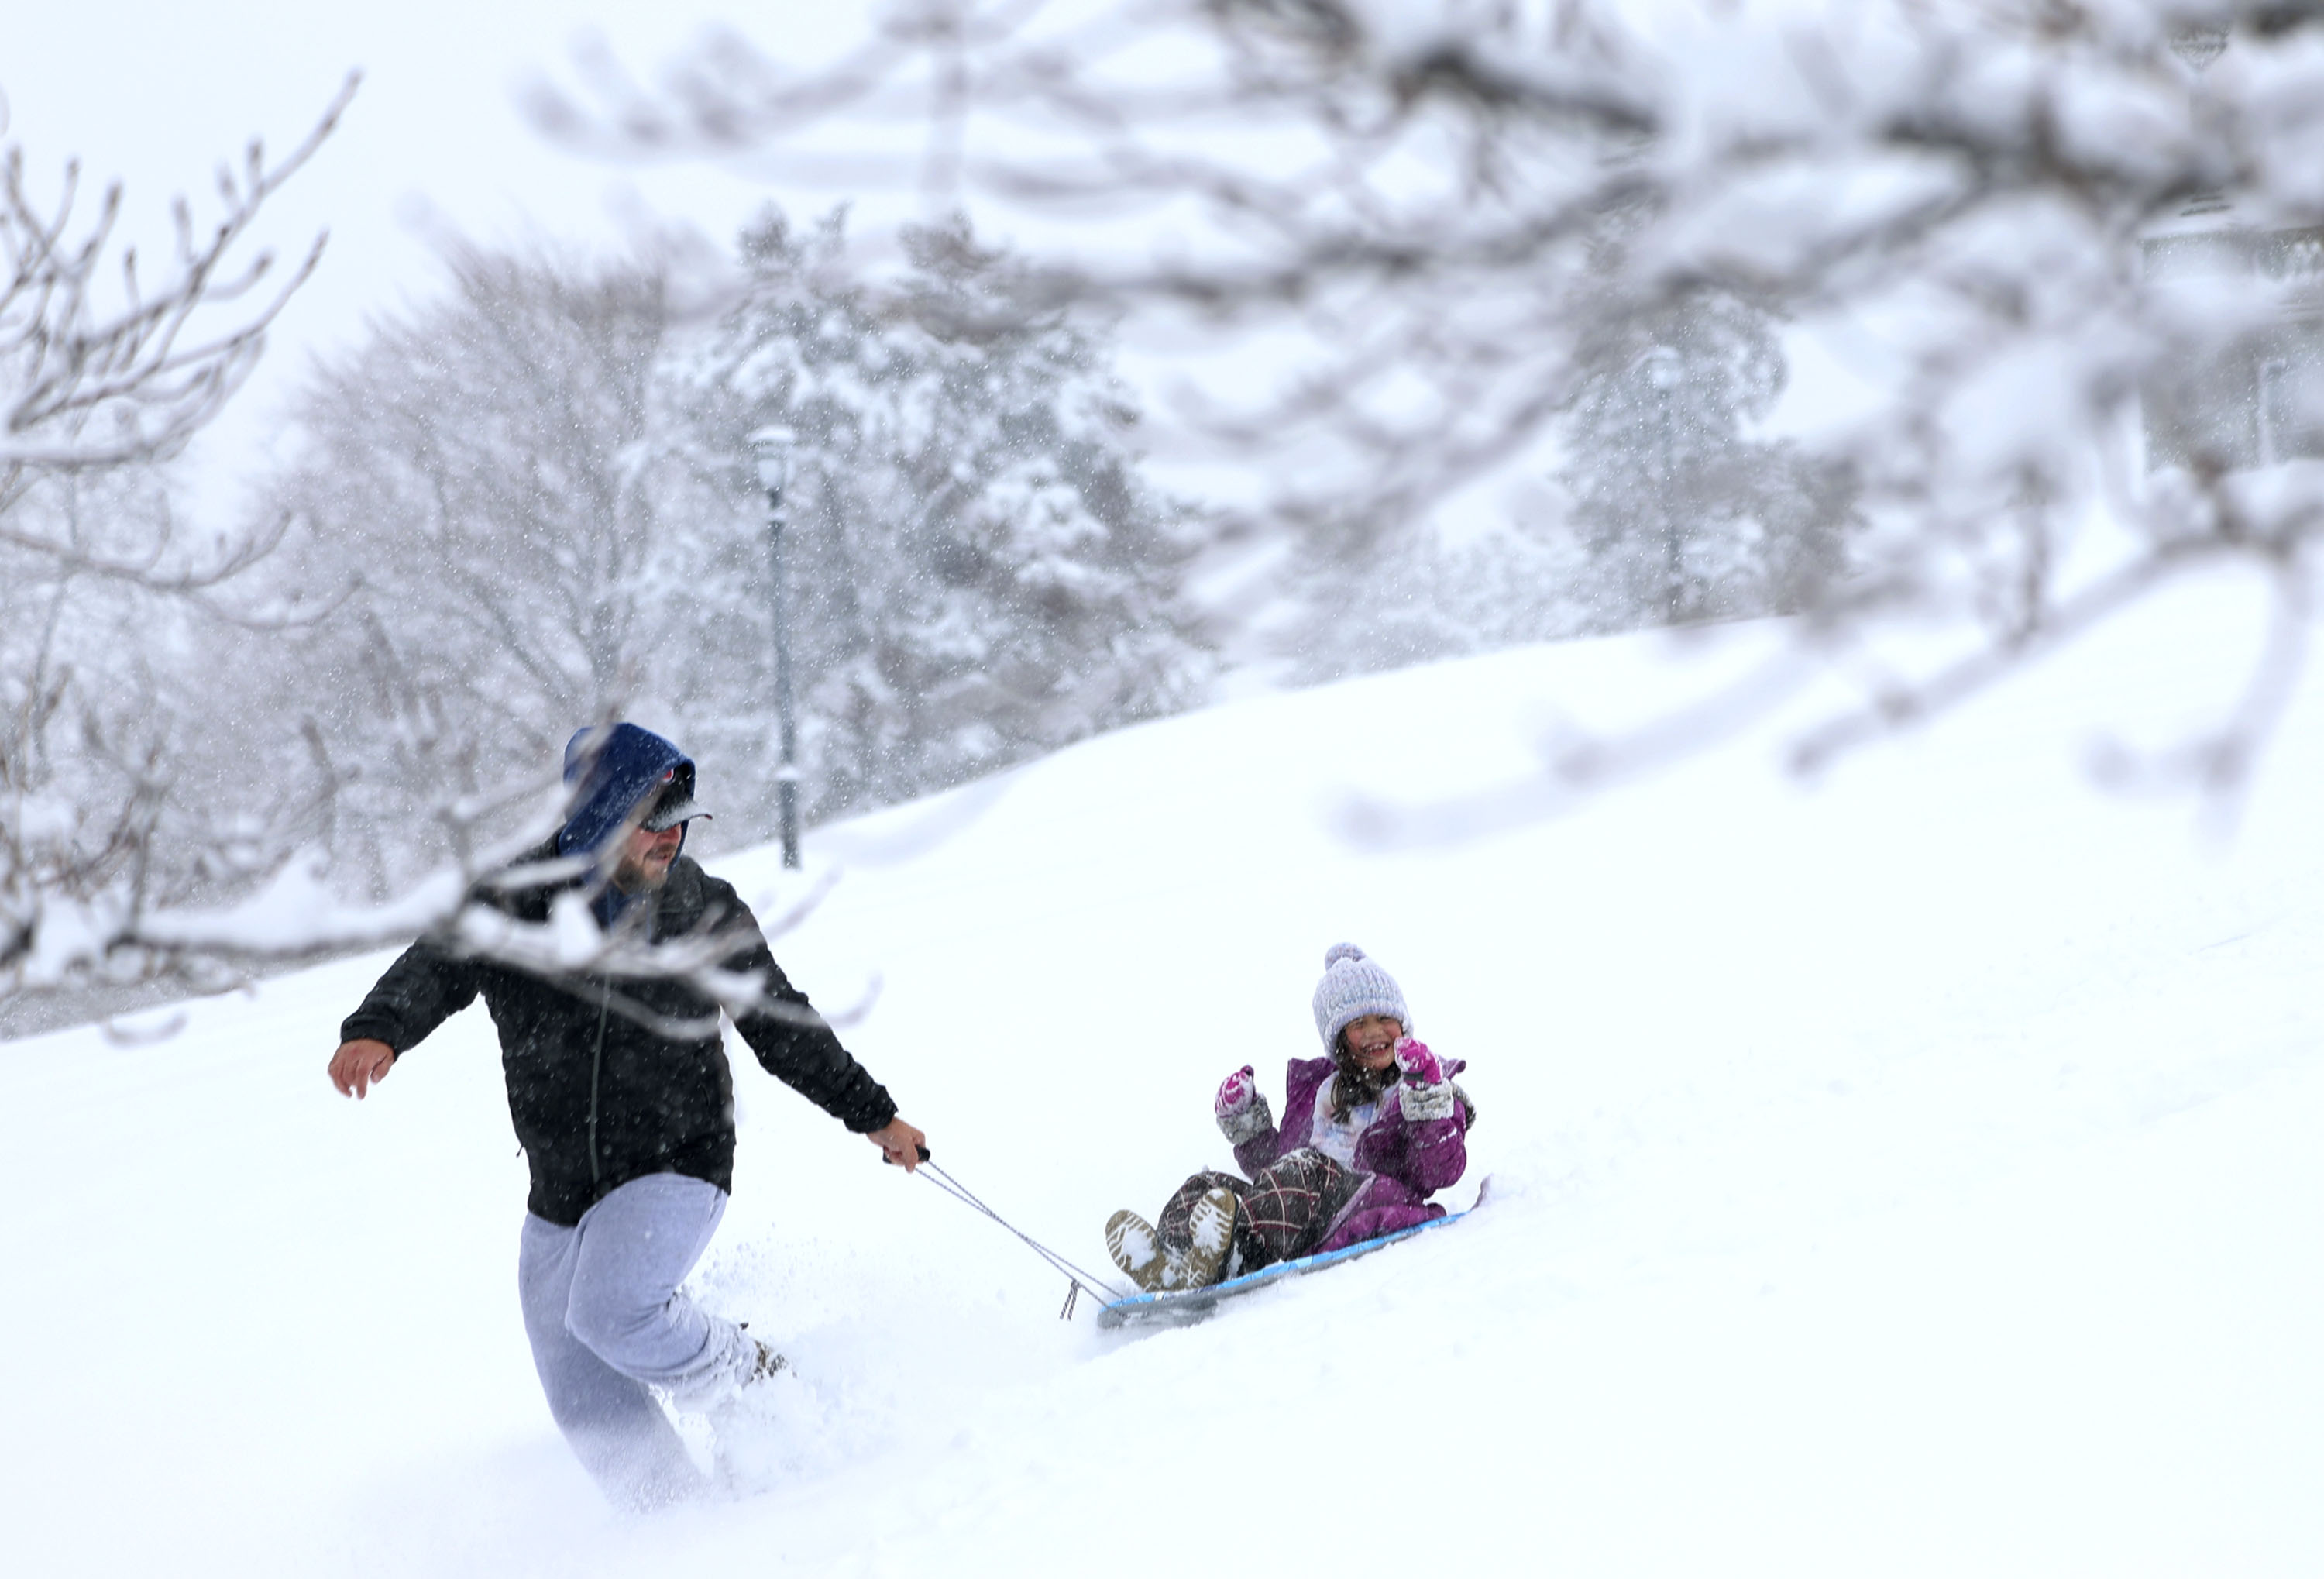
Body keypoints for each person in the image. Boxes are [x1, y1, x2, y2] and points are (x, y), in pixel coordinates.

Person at [328, 722, 926, 1508]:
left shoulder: (700, 909)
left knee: (613, 1311)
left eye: (684, 821)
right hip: (561, 1188)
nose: (672, 839)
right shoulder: (512, 902)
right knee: (578, 1387)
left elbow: (780, 1023)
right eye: (655, 821)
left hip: (678, 1160)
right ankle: (675, 1525)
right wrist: (379, 1026)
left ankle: (760, 1377)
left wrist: (874, 1114)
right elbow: (437, 964)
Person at [1105, 943, 1474, 1292]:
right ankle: (1173, 1260)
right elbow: (1275, 1169)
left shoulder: (1422, 1083)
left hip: (1373, 1203)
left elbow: (1439, 1170)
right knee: (1208, 1187)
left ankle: (1232, 1256)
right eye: (1359, 1024)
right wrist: (1248, 1126)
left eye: (1384, 1019)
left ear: (1403, 1023)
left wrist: (1428, 1100)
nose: (1375, 1032)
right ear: (1339, 1039)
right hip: (1303, 1213)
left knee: (1307, 1167)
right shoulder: (1320, 1092)